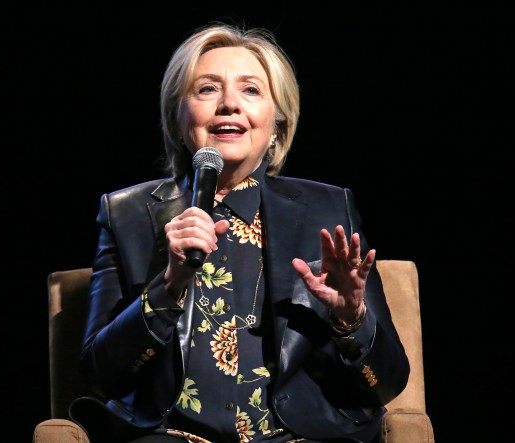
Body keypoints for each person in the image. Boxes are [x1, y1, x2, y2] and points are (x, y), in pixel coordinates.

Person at [68, 22, 410, 443]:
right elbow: (102, 376)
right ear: (178, 116)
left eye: (250, 90)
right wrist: (170, 283)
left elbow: (389, 382)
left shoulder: (328, 209)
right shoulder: (126, 214)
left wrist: (349, 318)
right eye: (207, 89)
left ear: (277, 122)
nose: (229, 104)